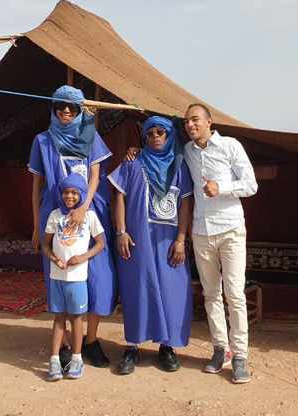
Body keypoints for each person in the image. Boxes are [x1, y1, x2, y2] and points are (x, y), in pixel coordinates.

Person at [29, 85, 118, 369]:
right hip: (54, 218)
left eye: (73, 107)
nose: (66, 111)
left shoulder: (90, 137)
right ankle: (66, 344)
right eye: (60, 105)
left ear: (80, 110)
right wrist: (35, 226)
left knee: (99, 277)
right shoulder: (42, 141)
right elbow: (35, 187)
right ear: (53, 107)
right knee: (61, 276)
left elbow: (95, 176)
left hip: (90, 215)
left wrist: (82, 208)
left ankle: (91, 340)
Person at [108, 116, 193, 375]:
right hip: (138, 240)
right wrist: (121, 231)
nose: (156, 136)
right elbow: (119, 196)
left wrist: (181, 240)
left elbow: (186, 204)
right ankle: (132, 346)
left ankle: (167, 347)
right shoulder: (133, 163)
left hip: (169, 242)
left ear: (169, 136)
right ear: (144, 136)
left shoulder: (179, 166)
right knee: (138, 290)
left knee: (172, 291)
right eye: (151, 133)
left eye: (161, 132)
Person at [183, 103, 258, 384]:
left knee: (235, 295)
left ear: (209, 122)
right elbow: (162, 155)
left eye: (195, 120)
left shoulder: (230, 146)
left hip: (230, 229)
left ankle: (239, 356)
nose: (190, 125)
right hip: (201, 232)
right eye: (186, 122)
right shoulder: (187, 152)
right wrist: (134, 152)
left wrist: (220, 187)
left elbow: (251, 185)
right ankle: (220, 350)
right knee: (211, 294)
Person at [41, 174, 106, 381]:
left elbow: (100, 243)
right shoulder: (54, 216)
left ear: (82, 195)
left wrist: (82, 257)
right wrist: (53, 259)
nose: (69, 196)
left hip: (77, 277)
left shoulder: (90, 216)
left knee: (77, 318)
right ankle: (54, 361)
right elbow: (45, 245)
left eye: (74, 192)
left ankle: (77, 358)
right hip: (56, 277)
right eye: (66, 192)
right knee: (59, 318)